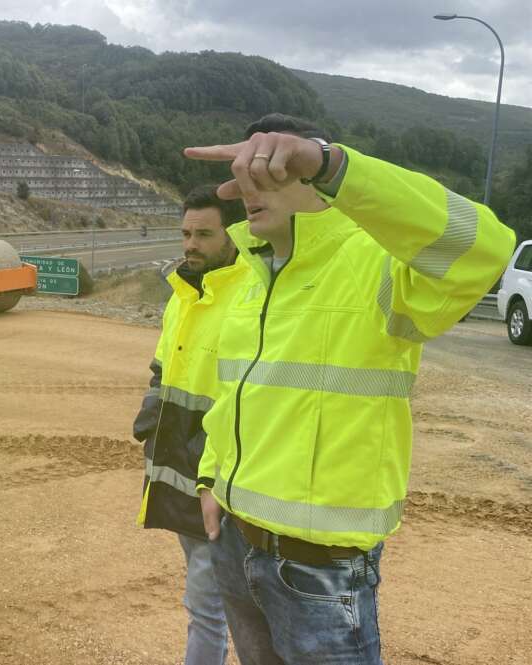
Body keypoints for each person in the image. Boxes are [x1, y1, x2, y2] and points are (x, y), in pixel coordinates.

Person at [184, 113, 515, 665]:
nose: (248, 187)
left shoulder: (380, 266)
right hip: (236, 546)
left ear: (314, 179)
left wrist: (334, 164)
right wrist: (210, 478)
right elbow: (237, 397)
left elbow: (485, 249)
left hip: (318, 570)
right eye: (244, 172)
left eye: (271, 170)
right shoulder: (254, 274)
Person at [133, 187, 246, 665]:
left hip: (220, 480)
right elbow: (163, 366)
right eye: (185, 233)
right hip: (179, 469)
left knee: (209, 609)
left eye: (204, 234)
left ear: (232, 235)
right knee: (212, 604)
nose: (191, 244)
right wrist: (150, 413)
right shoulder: (182, 293)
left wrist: (216, 470)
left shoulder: (249, 297)